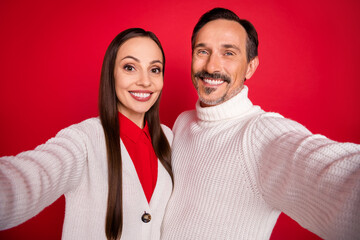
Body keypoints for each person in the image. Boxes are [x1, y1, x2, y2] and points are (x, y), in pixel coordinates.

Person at [161, 8, 360, 240]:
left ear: (250, 67)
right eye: (202, 51)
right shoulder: (183, 123)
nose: (212, 66)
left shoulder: (259, 135)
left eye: (229, 53)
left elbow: (338, 175)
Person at [0, 28, 173, 240]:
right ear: (111, 74)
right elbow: (30, 177)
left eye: (155, 69)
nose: (145, 81)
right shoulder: (82, 140)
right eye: (130, 67)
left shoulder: (169, 138)